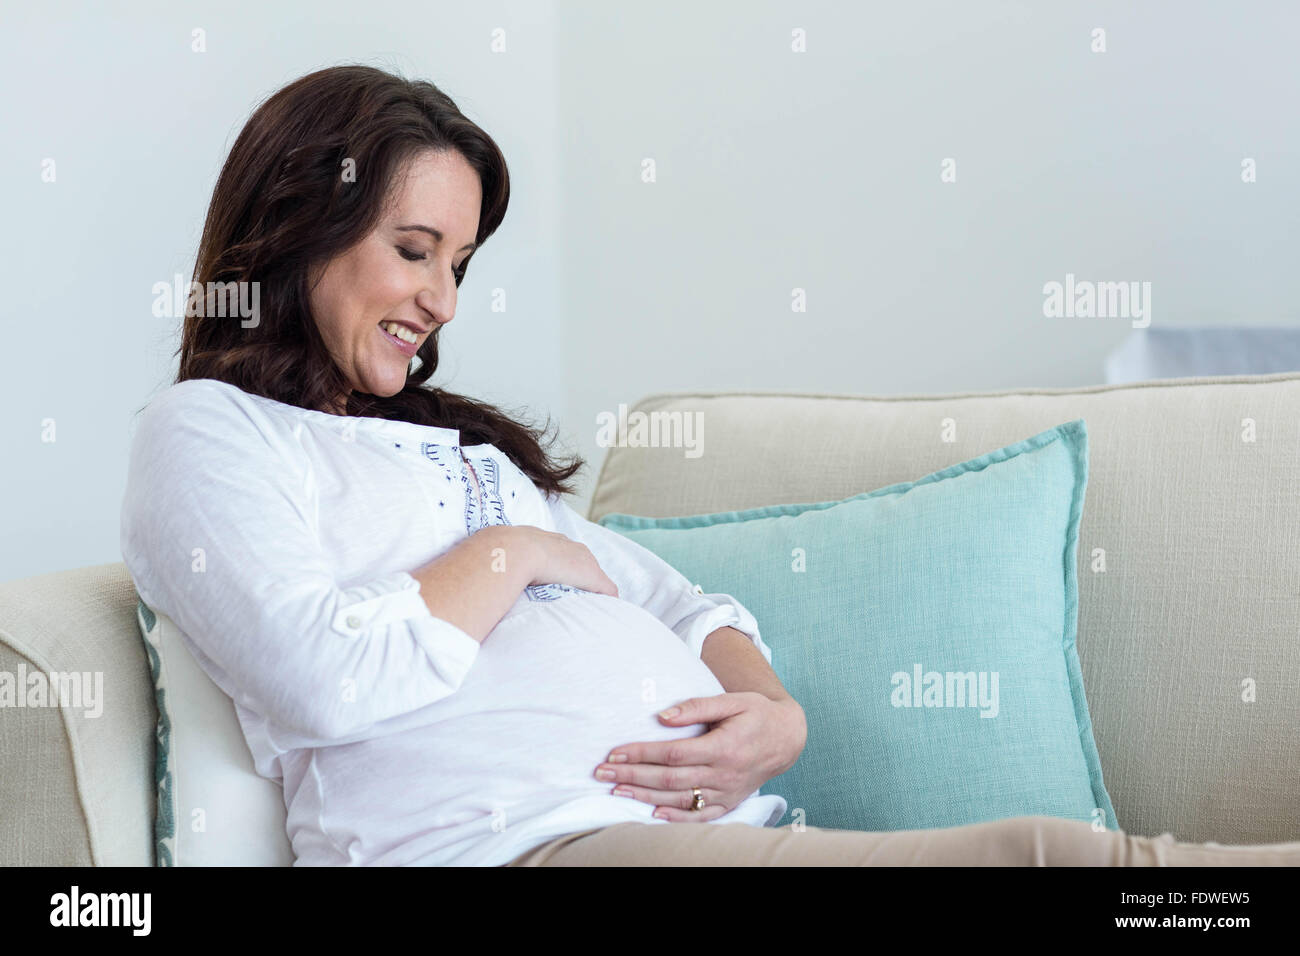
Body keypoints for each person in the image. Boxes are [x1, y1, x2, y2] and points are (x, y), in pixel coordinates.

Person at [120, 64, 1300, 867]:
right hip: (522, 845)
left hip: (709, 834)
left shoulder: (454, 445)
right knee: (1045, 862)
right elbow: (324, 678)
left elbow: (672, 596)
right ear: (296, 227)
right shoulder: (213, 434)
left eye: (462, 262)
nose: (440, 299)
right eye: (413, 249)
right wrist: (516, 548)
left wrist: (773, 714)